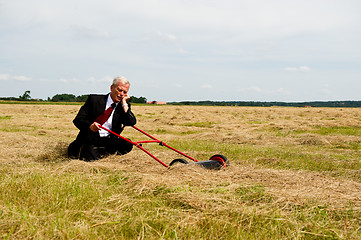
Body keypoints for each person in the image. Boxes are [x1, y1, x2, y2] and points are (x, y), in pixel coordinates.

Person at [68, 76, 137, 161]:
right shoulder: (94, 99)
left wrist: (124, 104)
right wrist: (90, 126)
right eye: (119, 90)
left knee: (128, 143)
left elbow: (131, 122)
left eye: (125, 92)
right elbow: (78, 120)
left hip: (109, 141)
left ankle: (102, 152)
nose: (121, 94)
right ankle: (93, 152)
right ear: (112, 88)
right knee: (90, 154)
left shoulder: (123, 106)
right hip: (90, 139)